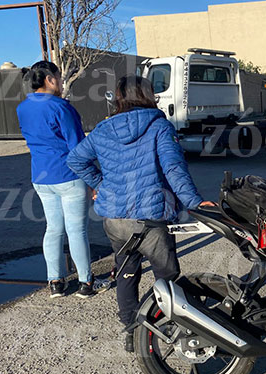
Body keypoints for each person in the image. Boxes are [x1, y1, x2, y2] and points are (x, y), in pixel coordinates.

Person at [67, 75, 214, 352]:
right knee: (167, 277)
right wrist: (195, 203)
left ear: (119, 97)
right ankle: (163, 326)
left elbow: (75, 159)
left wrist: (101, 184)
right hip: (151, 218)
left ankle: (132, 332)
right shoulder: (159, 126)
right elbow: (174, 169)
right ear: (148, 95)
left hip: (115, 219)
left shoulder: (103, 129)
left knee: (126, 272)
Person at [16, 61, 96, 299]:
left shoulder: (22, 108)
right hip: (68, 176)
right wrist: (92, 180)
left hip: (41, 177)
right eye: (59, 78)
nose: (61, 82)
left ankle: (55, 282)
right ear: (50, 80)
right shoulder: (61, 107)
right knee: (76, 230)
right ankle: (85, 282)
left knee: (53, 229)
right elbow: (78, 147)